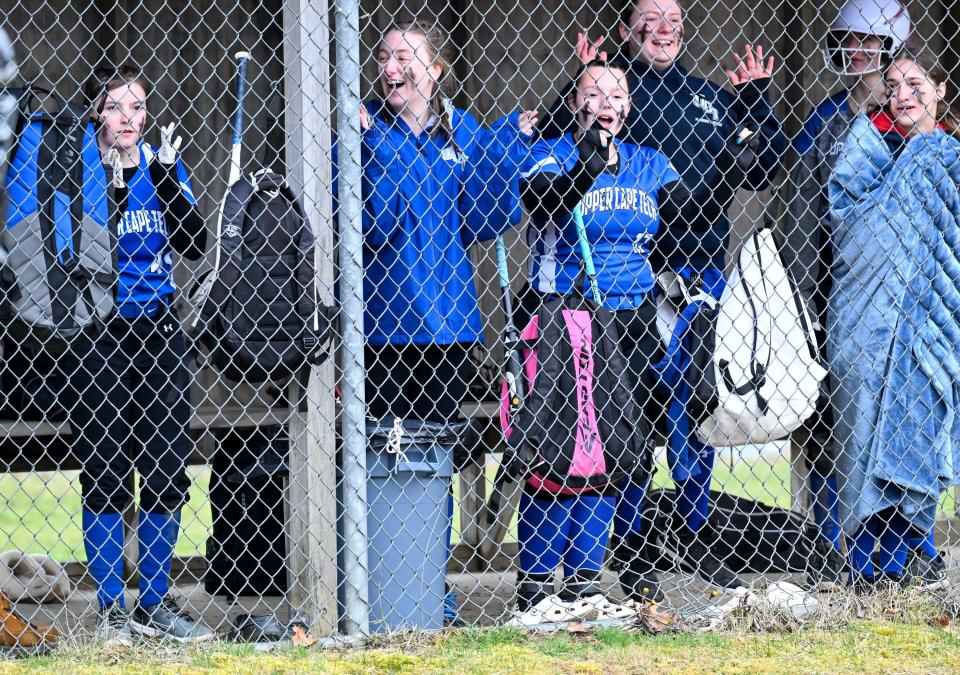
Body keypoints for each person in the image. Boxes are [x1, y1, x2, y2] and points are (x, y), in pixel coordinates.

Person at [537, 0, 785, 598]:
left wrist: (754, 101)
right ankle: (632, 545)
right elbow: (552, 143)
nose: (663, 24)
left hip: (697, 275)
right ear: (627, 31)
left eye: (672, 14)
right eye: (648, 15)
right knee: (627, 417)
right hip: (625, 282)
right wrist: (582, 81)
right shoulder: (611, 93)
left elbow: (764, 166)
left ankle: (696, 537)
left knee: (695, 412)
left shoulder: (708, 96)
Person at [343, 19, 534, 625]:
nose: (389, 67)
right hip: (381, 326)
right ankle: (368, 583)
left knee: (435, 460)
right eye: (382, 57)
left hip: (448, 326)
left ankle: (427, 582)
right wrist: (371, 148)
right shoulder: (364, 132)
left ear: (435, 70)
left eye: (404, 56)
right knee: (375, 456)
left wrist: (505, 146)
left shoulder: (463, 131)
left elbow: (486, 218)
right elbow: (372, 225)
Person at [780, 0, 929, 591]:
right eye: (850, 40)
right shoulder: (827, 119)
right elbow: (802, 216)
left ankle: (909, 548)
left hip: (908, 297)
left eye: (872, 40)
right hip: (841, 294)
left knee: (908, 422)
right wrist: (803, 301)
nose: (860, 51)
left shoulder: (918, 122)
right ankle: (844, 549)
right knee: (838, 428)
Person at [68, 64, 210, 644]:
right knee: (104, 468)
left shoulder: (160, 163)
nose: (128, 118)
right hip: (98, 328)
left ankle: (152, 604)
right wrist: (117, 183)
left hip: (157, 328)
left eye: (138, 108)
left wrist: (170, 178)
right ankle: (111, 612)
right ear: (98, 112)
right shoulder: (79, 166)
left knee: (165, 466)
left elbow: (194, 242)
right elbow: (83, 238)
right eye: (117, 107)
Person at [827, 47, 960, 593]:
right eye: (893, 85)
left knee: (920, 416)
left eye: (915, 82)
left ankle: (912, 553)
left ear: (941, 90)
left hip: (932, 322)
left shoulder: (948, 156)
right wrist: (917, 157)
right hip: (868, 320)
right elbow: (851, 228)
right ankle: (865, 562)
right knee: (863, 428)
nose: (903, 94)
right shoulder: (874, 155)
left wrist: (930, 153)